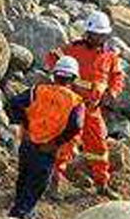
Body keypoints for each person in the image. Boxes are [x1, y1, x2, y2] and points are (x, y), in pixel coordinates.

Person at [49, 13, 124, 193]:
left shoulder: (110, 56)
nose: (97, 38)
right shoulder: (74, 49)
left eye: (101, 35)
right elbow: (52, 58)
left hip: (93, 109)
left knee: (98, 146)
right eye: (94, 34)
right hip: (72, 107)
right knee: (66, 143)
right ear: (87, 33)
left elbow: (118, 77)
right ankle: (54, 182)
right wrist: (61, 82)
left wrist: (112, 92)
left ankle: (101, 183)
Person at [5, 55, 84, 219]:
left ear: (54, 75)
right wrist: (56, 143)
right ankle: (20, 217)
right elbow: (76, 125)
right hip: (46, 150)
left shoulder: (38, 90)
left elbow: (14, 103)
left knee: (24, 179)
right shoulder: (75, 102)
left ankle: (19, 211)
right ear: (74, 78)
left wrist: (26, 126)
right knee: (35, 186)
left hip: (27, 145)